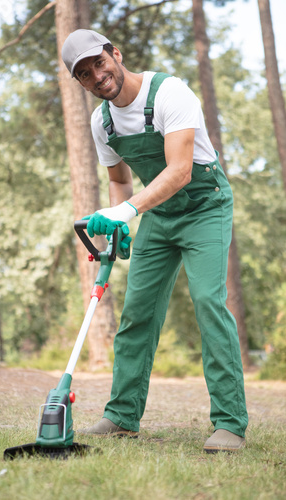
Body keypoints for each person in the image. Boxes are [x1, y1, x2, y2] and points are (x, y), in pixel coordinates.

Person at [61, 29, 248, 453]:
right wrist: (119, 222)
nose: (98, 76)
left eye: (100, 63)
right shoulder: (101, 122)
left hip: (205, 206)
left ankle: (230, 423)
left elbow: (181, 170)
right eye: (85, 74)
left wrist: (127, 211)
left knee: (208, 302)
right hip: (158, 214)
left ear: (116, 54)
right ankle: (122, 416)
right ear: (81, 83)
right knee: (137, 313)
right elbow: (118, 179)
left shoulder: (169, 93)